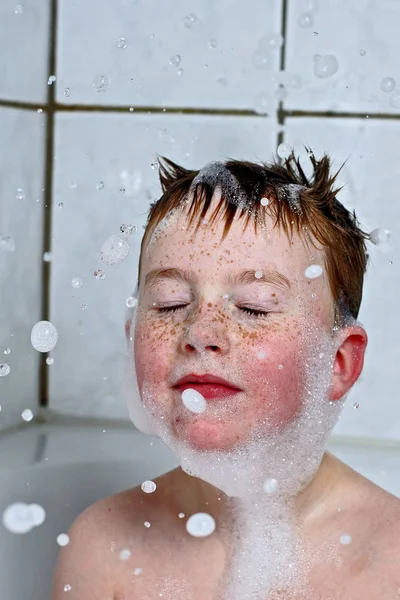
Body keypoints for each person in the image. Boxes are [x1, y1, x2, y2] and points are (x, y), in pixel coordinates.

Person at [52, 150, 400, 600]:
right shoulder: (103, 546)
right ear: (132, 335)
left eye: (255, 306)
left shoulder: (389, 562)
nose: (200, 332)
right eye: (170, 302)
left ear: (337, 364)